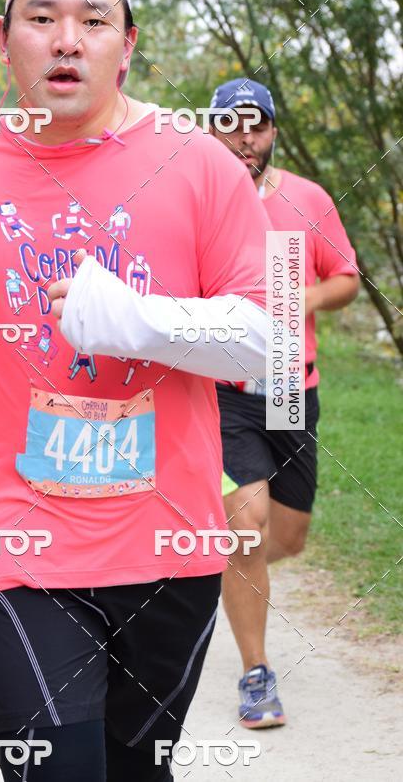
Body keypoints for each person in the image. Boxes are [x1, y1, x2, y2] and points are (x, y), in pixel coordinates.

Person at [0, 0, 271, 781]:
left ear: (126, 44)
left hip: (169, 540)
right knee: (55, 768)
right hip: (9, 538)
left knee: (136, 768)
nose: (66, 40)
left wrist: (135, 320)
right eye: (41, 17)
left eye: (93, 20)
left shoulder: (202, 167)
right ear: (1, 39)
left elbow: (263, 339)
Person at [210, 78, 360, 729]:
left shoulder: (308, 198)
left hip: (292, 386)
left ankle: (210, 570)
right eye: (232, 123)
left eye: (258, 124)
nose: (246, 136)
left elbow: (346, 278)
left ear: (273, 131)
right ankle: (255, 671)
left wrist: (301, 300)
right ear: (213, 129)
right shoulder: (198, 197)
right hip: (226, 388)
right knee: (248, 523)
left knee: (287, 537)